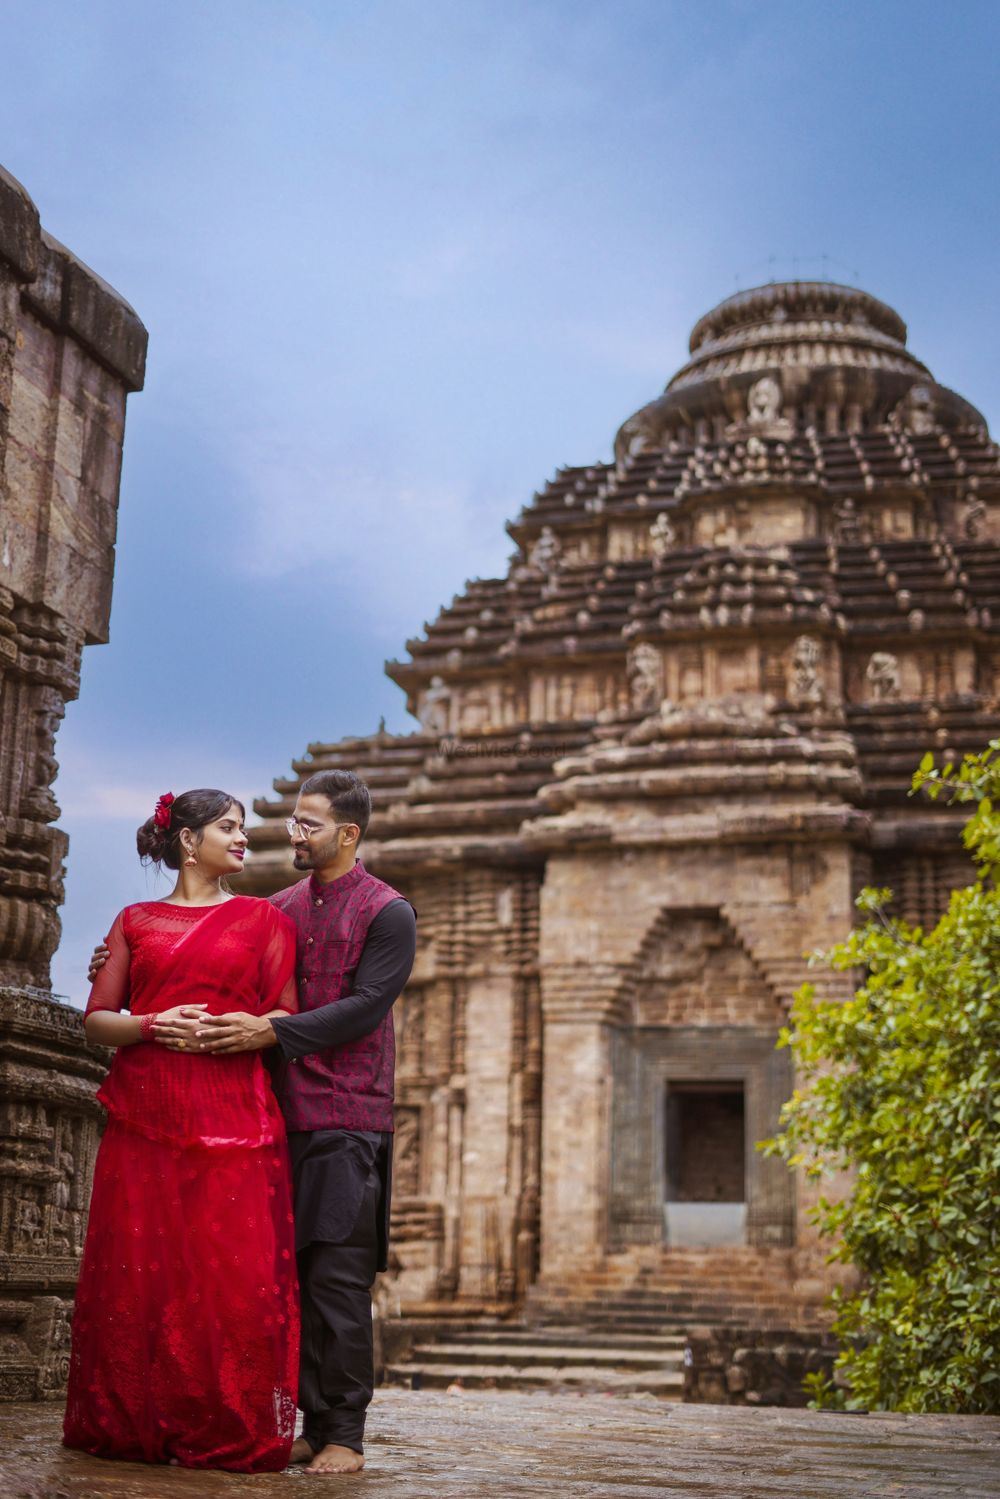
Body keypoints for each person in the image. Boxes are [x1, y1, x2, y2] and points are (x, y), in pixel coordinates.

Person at [88, 769, 417, 1476]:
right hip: (268, 1117)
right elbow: (210, 955)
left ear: (348, 834)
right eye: (291, 820)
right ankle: (298, 1418)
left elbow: (365, 1007)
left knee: (337, 1275)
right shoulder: (281, 908)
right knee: (275, 1279)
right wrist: (121, 961)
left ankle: (344, 1434)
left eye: (308, 824)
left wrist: (271, 1034)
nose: (289, 832)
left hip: (347, 1117)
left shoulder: (388, 912)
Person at [65, 789, 300, 1473]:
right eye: (229, 826)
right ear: (188, 841)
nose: (243, 837)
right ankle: (133, 1418)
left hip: (236, 1110)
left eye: (244, 827)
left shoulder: (262, 920)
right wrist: (150, 1024)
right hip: (147, 1110)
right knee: (142, 1272)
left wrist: (250, 1030)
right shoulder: (135, 920)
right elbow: (97, 1018)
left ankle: (226, 1420)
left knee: (234, 1275)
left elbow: (286, 1012)